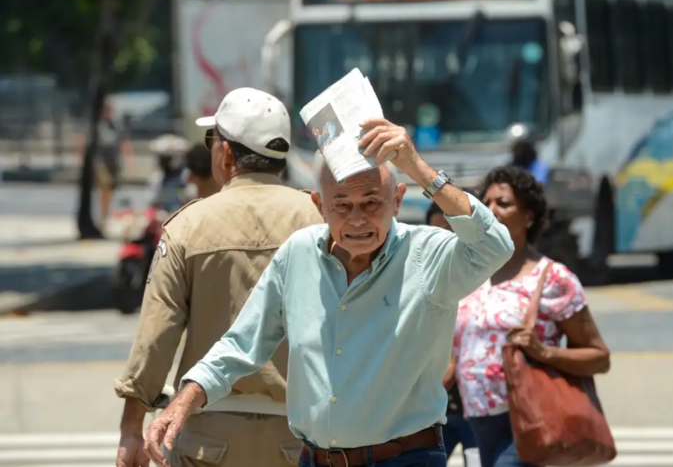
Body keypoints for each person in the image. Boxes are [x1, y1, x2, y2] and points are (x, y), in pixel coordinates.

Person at [143, 117, 516, 467]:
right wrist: (182, 403)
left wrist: (417, 166)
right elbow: (241, 344)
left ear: (397, 200)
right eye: (342, 205)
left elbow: (495, 246)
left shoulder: (428, 254)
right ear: (319, 206)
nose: (357, 219)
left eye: (371, 202)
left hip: (405, 458)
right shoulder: (298, 252)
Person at [114, 87, 325, 467]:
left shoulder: (187, 226)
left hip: (207, 435)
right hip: (304, 434)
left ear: (225, 154)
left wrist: (131, 429)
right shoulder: (322, 220)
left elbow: (155, 336)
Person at [452, 166, 610, 467]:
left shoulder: (552, 278)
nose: (492, 210)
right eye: (486, 203)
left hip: (525, 418)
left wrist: (544, 352)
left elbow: (599, 356)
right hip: (473, 418)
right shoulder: (469, 271)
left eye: (504, 203)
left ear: (529, 217)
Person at [425, 201, 478, 464]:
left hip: (478, 410)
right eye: (439, 230)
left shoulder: (482, 276)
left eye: (452, 228)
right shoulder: (423, 278)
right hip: (435, 412)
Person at [93, 99, 134, 227]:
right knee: (105, 186)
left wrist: (129, 158)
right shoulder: (97, 124)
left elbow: (124, 141)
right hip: (100, 161)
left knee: (110, 188)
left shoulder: (116, 125)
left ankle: (106, 212)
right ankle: (103, 214)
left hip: (114, 161)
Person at [147, 134, 190, 213]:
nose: (162, 162)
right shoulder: (157, 178)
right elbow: (153, 201)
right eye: (161, 159)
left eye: (165, 159)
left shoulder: (186, 176)